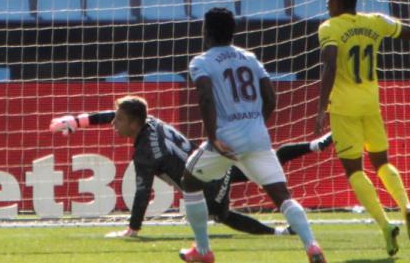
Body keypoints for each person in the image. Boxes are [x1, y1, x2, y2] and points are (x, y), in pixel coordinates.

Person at [49, 96, 332, 238]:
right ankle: (315, 146)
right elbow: (118, 112)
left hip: (204, 179)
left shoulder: (147, 153)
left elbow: (142, 194)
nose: (114, 124)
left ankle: (279, 234)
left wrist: (132, 230)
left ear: (133, 123)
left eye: (119, 121)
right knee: (264, 159)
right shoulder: (149, 120)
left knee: (221, 214)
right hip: (211, 161)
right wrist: (79, 121)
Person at [180, 8, 324, 263]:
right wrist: (254, 124)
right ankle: (312, 246)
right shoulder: (250, 58)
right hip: (257, 136)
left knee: (190, 181)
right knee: (282, 196)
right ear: (233, 32)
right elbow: (270, 98)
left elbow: (205, 97)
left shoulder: (200, 62)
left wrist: (213, 137)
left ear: (206, 32)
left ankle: (203, 251)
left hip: (225, 140)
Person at [312, 0, 410, 256]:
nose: (327, 2)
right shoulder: (376, 21)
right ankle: (407, 206)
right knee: (382, 163)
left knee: (354, 170)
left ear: (338, 0)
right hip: (370, 104)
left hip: (343, 110)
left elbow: (329, 65)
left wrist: (319, 109)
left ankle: (386, 226)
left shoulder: (329, 28)